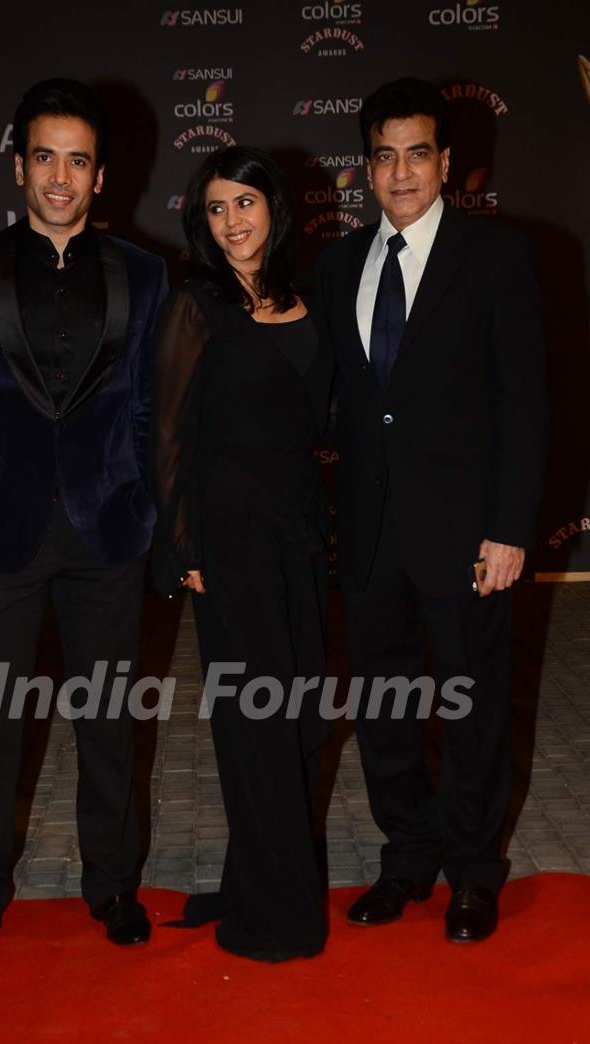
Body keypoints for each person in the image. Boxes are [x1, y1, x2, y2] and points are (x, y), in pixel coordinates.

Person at [0, 79, 168, 967]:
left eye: (80, 160)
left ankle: (114, 884)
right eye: (46, 156)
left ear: (102, 177)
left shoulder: (144, 274)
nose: (61, 176)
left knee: (108, 720)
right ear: (20, 163)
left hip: (108, 531)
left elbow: (147, 411)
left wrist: (151, 514)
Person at [316, 77, 546, 942]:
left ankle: (474, 872)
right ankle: (408, 856)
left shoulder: (498, 258)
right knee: (381, 707)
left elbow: (524, 404)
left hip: (466, 534)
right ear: (365, 166)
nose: (401, 172)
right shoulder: (339, 265)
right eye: (384, 154)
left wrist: (511, 527)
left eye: (418, 153)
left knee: (475, 706)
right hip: (371, 535)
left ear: (447, 163)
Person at [153, 146, 334, 962]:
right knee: (256, 716)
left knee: (298, 717)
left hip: (299, 529)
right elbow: (166, 430)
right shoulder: (197, 303)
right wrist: (181, 539)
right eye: (217, 207)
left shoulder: (309, 301)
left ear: (275, 208)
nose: (232, 221)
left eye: (246, 203)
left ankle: (250, 874)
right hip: (226, 538)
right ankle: (280, 914)